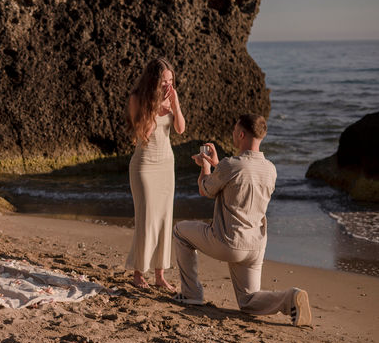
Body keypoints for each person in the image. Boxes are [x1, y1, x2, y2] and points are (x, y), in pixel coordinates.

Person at [173, 114, 312, 326]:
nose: (233, 133)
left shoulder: (230, 165)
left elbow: (205, 189)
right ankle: (289, 298)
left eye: (234, 130)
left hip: (228, 242)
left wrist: (205, 167)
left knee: (180, 231)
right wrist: (218, 165)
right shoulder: (270, 169)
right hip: (255, 246)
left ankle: (191, 293)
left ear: (241, 134)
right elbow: (242, 179)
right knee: (248, 301)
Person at [125, 57, 186, 291]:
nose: (168, 85)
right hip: (144, 164)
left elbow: (180, 129)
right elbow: (143, 134)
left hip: (166, 164)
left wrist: (175, 105)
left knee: (164, 219)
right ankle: (138, 273)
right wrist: (156, 108)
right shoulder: (136, 99)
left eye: (170, 81)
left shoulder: (171, 97)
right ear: (153, 80)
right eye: (163, 81)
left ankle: (160, 275)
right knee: (147, 219)